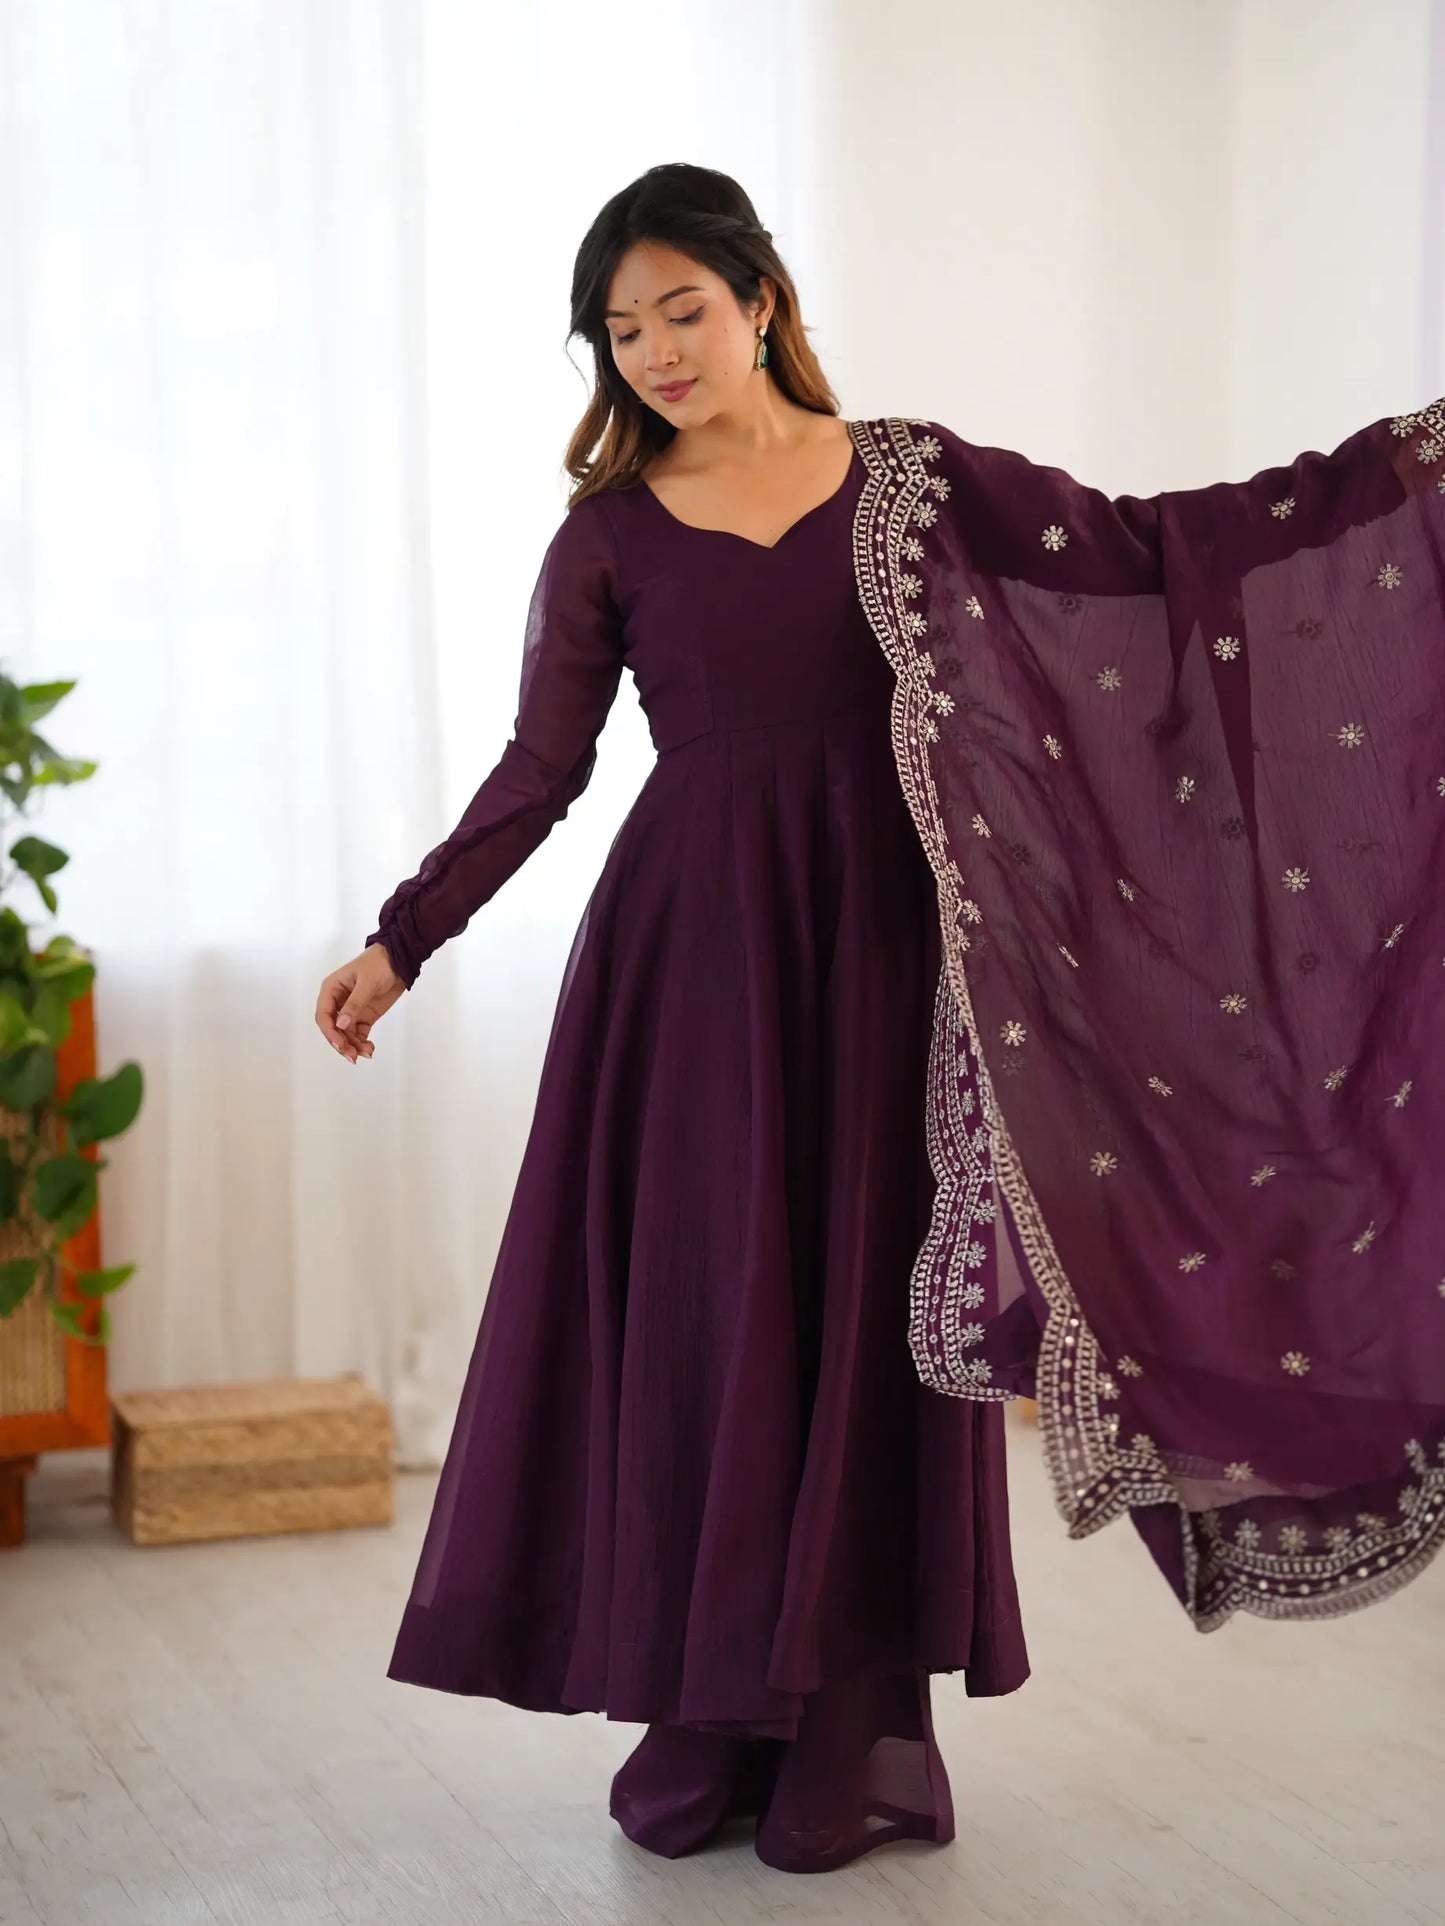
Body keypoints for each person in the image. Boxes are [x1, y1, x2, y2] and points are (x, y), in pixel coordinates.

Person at [314, 162, 1029, 1875]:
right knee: (715, 1318)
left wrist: (1374, 487)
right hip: (689, 969)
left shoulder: (911, 483)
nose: (653, 353)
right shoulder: (609, 533)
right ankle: (714, 1705)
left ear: (760, 298)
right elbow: (540, 768)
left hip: (884, 959)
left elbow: (1122, 579)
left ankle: (843, 1723)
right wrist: (404, 937)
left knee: (861, 1316)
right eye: (619, 332)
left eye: (679, 312)